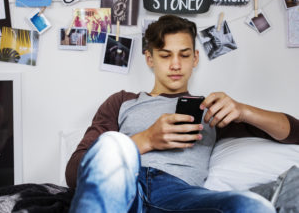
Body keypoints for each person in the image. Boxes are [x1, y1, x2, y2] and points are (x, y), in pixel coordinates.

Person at [66, 15, 299, 213]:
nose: (175, 65)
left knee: (253, 206)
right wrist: (146, 139)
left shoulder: (211, 108)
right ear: (150, 59)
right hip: (124, 189)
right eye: (165, 55)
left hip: (181, 196)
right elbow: (75, 172)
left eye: (184, 55)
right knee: (111, 143)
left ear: (195, 58)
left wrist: (243, 110)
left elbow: (294, 133)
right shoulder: (122, 101)